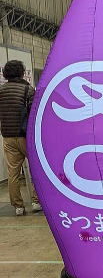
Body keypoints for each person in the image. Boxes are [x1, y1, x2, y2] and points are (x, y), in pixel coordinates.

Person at [0, 60, 42, 216]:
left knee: (13, 173)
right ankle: (36, 201)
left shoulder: (1, 90)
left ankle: (18, 206)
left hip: (8, 137)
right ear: (22, 72)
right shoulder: (28, 90)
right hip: (26, 137)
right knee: (36, 169)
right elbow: (35, 113)